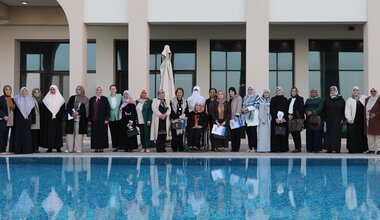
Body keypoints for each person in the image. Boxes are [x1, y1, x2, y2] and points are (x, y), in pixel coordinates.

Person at [41, 85, 65, 153]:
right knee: (49, 133)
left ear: (56, 90)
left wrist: (61, 118)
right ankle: (49, 147)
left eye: (53, 89)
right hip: (48, 120)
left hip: (57, 120)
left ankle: (58, 147)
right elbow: (43, 110)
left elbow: (62, 110)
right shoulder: (46, 99)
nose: (52, 90)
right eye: (51, 89)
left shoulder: (61, 100)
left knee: (57, 133)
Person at [65, 85, 89, 153]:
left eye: (79, 89)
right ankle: (70, 149)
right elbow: (68, 106)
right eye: (76, 89)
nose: (77, 90)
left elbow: (85, 109)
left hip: (80, 119)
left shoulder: (85, 99)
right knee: (70, 134)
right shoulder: (72, 98)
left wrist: (78, 113)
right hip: (71, 118)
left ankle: (78, 148)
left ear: (82, 90)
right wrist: (73, 113)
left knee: (79, 134)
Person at [12, 87, 35, 154]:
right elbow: (13, 111)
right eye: (23, 91)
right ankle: (18, 150)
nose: (24, 93)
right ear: (20, 92)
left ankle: (27, 150)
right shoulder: (16, 99)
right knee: (18, 135)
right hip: (18, 120)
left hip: (27, 120)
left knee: (27, 135)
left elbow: (33, 112)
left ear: (27, 92)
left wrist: (33, 121)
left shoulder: (31, 100)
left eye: (26, 91)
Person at [345, 86, 367, 153]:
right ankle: (352, 149)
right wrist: (349, 118)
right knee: (352, 135)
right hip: (352, 121)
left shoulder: (363, 98)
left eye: (357, 90)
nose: (355, 91)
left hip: (361, 121)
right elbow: (347, 110)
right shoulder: (349, 99)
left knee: (361, 135)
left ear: (359, 91)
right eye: (354, 90)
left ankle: (362, 149)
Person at [323, 86, 345, 153]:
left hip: (338, 120)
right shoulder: (327, 99)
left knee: (336, 134)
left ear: (336, 91)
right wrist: (324, 119)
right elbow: (324, 110)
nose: (332, 91)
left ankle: (336, 149)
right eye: (331, 90)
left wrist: (343, 119)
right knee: (329, 134)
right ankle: (329, 149)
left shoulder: (341, 99)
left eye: (334, 90)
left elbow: (344, 110)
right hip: (329, 120)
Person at [89, 86, 110, 153]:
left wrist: (107, 119)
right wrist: (89, 119)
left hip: (102, 120)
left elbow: (108, 109)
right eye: (97, 90)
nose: (99, 91)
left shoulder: (105, 99)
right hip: (94, 120)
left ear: (102, 91)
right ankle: (95, 147)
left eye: (100, 90)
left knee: (102, 134)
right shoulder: (92, 99)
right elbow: (90, 110)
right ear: (96, 91)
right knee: (95, 134)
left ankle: (101, 147)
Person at [241, 85, 260, 152]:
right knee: (248, 134)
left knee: (253, 133)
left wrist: (247, 108)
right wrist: (242, 109)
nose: (249, 91)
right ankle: (250, 147)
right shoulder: (245, 97)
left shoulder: (257, 97)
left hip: (253, 118)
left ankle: (254, 147)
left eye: (251, 89)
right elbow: (243, 105)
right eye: (248, 89)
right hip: (246, 118)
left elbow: (255, 106)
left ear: (253, 90)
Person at [270, 87, 289, 152]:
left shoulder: (285, 99)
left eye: (279, 90)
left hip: (283, 120)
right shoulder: (273, 99)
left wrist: (284, 118)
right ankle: (276, 149)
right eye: (277, 90)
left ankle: (283, 149)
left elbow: (286, 110)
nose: (278, 91)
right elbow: (272, 109)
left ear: (282, 91)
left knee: (283, 134)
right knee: (276, 134)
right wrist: (275, 118)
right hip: (275, 120)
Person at [170, 88, 188, 152]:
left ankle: (181, 148)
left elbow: (186, 111)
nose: (179, 93)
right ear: (176, 93)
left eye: (180, 92)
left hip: (182, 120)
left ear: (182, 93)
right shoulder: (172, 101)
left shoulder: (185, 101)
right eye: (178, 92)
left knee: (181, 135)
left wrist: (181, 117)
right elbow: (171, 111)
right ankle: (174, 148)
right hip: (174, 120)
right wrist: (177, 118)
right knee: (174, 135)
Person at [287, 87, 305, 153]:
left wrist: (292, 115)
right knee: (293, 133)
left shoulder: (300, 99)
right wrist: (288, 115)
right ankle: (296, 147)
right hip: (289, 118)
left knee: (297, 133)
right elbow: (287, 109)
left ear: (297, 92)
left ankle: (298, 148)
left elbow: (301, 109)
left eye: (295, 91)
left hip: (296, 118)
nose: (293, 92)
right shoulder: (289, 100)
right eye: (292, 91)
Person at [107, 85, 123, 152]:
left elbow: (126, 100)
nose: (113, 90)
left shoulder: (119, 96)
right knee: (113, 132)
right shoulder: (107, 98)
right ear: (110, 90)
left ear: (116, 90)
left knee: (119, 132)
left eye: (114, 89)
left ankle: (120, 145)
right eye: (111, 89)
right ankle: (115, 146)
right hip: (111, 117)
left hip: (118, 116)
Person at [365, 88, 380, 154]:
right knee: (370, 135)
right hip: (368, 119)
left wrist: (375, 114)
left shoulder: (379, 99)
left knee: (377, 135)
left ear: (376, 92)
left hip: (377, 119)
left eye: (374, 91)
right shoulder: (367, 99)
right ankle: (371, 149)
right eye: (371, 91)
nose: (373, 92)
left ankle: (379, 149)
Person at [0, 85, 14, 153]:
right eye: (6, 89)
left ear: (11, 91)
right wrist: (3, 116)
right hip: (3, 120)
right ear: (4, 91)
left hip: (10, 121)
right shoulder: (1, 98)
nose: (8, 91)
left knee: (6, 136)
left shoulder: (11, 99)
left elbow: (11, 110)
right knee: (1, 136)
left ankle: (3, 150)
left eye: (9, 89)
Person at [228, 87, 242, 152]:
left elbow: (239, 107)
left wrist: (237, 115)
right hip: (231, 119)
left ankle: (237, 148)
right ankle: (233, 147)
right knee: (232, 134)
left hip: (236, 118)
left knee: (237, 134)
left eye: (232, 91)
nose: (231, 93)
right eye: (230, 92)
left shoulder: (238, 98)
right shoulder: (230, 99)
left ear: (234, 91)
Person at [31, 88, 43, 153]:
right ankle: (34, 148)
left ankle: (36, 148)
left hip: (40, 120)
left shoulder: (41, 101)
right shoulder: (31, 100)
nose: (36, 93)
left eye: (38, 92)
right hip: (35, 120)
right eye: (35, 92)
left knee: (38, 135)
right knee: (34, 134)